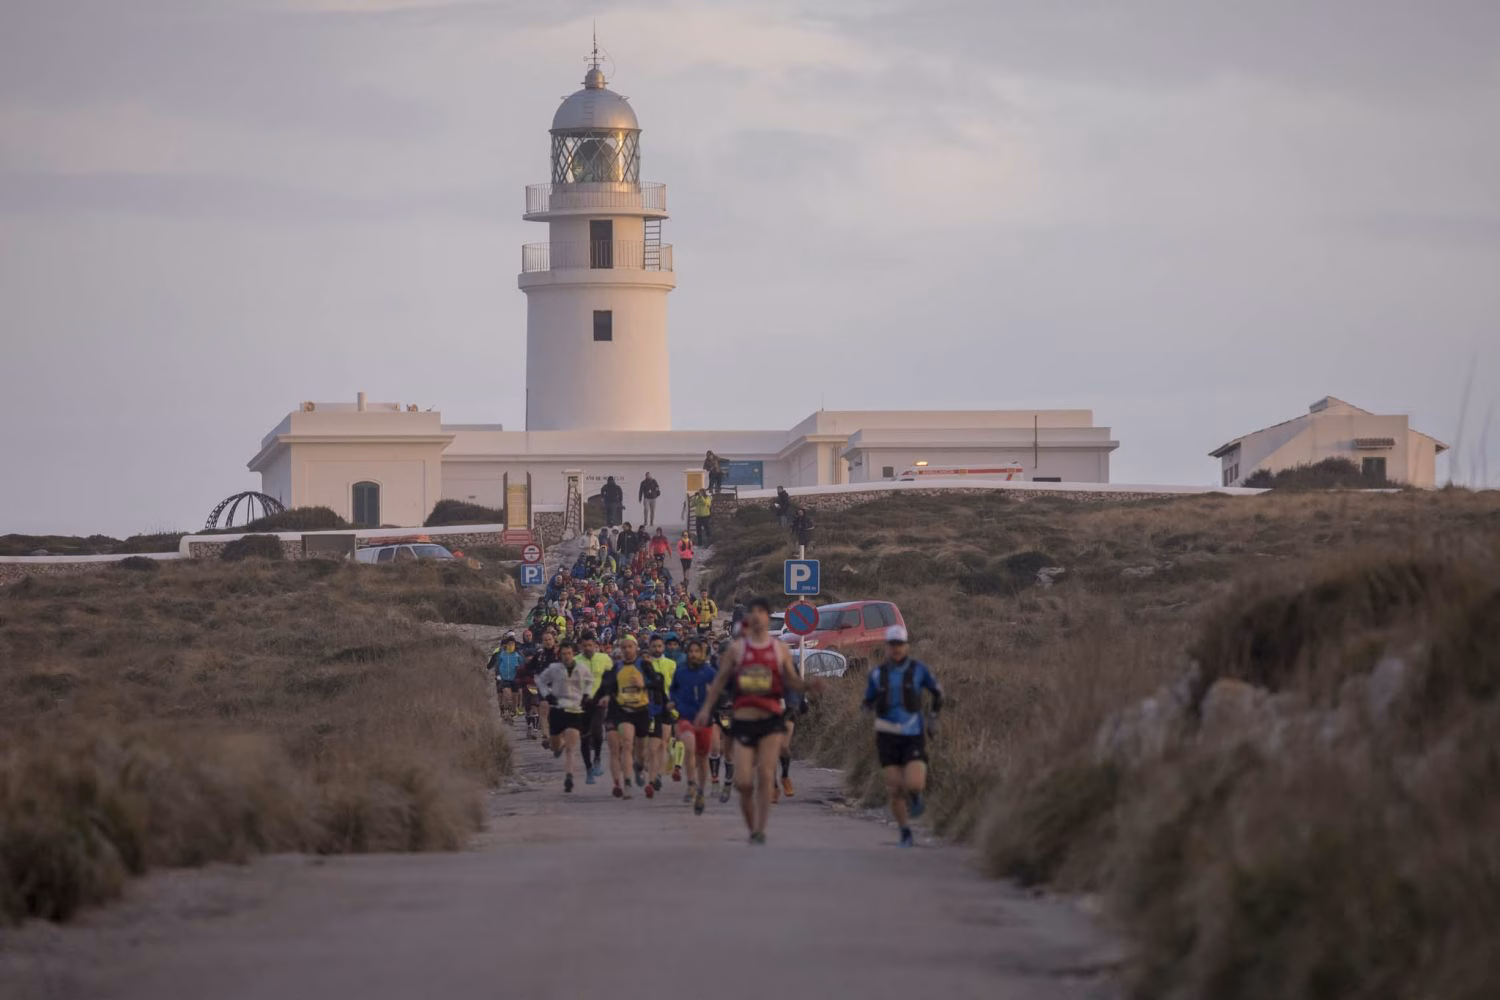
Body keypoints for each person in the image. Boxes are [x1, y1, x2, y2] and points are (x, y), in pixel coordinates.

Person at [695, 597, 818, 845]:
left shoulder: (779, 649)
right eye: (754, 612)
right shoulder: (737, 650)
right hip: (743, 719)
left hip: (770, 720)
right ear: (749, 619)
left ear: (768, 616)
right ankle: (752, 826)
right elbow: (720, 682)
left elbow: (791, 680)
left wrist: (808, 685)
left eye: (763, 611)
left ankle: (760, 828)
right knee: (743, 782)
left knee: (764, 773)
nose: (759, 616)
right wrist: (706, 708)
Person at [862, 625, 944, 848]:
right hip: (886, 736)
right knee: (895, 788)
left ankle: (917, 796)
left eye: (900, 645)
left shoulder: (919, 670)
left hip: (913, 734)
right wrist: (867, 709)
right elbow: (867, 700)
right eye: (892, 645)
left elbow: (937, 692)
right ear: (886, 647)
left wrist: (933, 718)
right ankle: (905, 832)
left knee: (915, 783)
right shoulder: (877, 674)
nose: (896, 649)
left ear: (906, 646)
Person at [595, 635, 653, 799]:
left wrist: (644, 685)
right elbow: (607, 687)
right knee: (626, 745)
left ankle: (639, 767)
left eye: (630, 647)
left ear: (636, 649)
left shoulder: (645, 665)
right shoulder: (616, 668)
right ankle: (625, 783)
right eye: (623, 647)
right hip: (621, 711)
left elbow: (657, 683)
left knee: (640, 751)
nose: (626, 650)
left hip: (642, 710)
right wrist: (605, 696)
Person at [536, 639, 594, 794]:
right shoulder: (554, 668)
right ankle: (558, 746)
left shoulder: (581, 668)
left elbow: (590, 682)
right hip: (557, 709)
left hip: (575, 710)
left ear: (573, 653)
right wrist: (547, 695)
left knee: (571, 747)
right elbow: (540, 680)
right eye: (563, 654)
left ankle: (569, 777)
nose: (567, 656)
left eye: (569, 653)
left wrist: (586, 696)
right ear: (559, 655)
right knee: (556, 745)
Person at [669, 637, 717, 815]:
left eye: (697, 651)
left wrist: (715, 698)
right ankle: (690, 782)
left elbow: (719, 693)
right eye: (690, 651)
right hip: (685, 717)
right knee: (689, 746)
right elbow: (673, 690)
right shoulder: (680, 672)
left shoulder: (710, 673)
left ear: (702, 653)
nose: (693, 654)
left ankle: (701, 792)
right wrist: (672, 702)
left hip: (704, 719)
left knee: (703, 758)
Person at [578, 632, 613, 784]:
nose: (588, 648)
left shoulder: (604, 659)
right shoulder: (575, 661)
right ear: (581, 646)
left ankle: (597, 758)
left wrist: (608, 696)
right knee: (584, 737)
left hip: (599, 701)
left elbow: (612, 678)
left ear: (595, 645)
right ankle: (588, 769)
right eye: (585, 645)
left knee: (598, 731)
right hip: (581, 702)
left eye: (590, 645)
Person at [646, 633, 678, 797]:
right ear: (649, 647)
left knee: (664, 743)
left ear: (663, 647)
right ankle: (653, 775)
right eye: (654, 646)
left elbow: (677, 686)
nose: (657, 649)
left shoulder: (671, 664)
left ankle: (657, 774)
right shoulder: (645, 664)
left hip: (668, 707)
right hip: (650, 708)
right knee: (653, 746)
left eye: (659, 646)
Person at [487, 632, 524, 722]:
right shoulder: (501, 654)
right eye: (509, 644)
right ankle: (505, 711)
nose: (511, 645)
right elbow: (497, 665)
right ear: (506, 645)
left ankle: (513, 711)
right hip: (504, 678)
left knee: (515, 697)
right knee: (507, 695)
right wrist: (498, 675)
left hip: (515, 678)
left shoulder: (518, 654)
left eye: (512, 644)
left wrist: (520, 670)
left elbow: (523, 665)